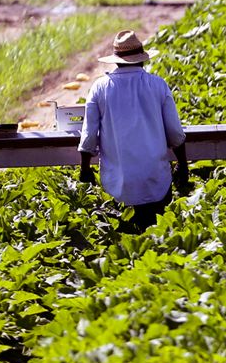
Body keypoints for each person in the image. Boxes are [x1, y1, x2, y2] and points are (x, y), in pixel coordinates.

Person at [78, 30, 188, 231]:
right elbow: (175, 133)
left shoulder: (100, 88)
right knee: (159, 240)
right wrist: (183, 165)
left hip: (118, 186)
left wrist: (85, 170)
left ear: (116, 60)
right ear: (143, 59)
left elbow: (88, 136)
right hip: (156, 181)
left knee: (123, 245)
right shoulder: (157, 85)